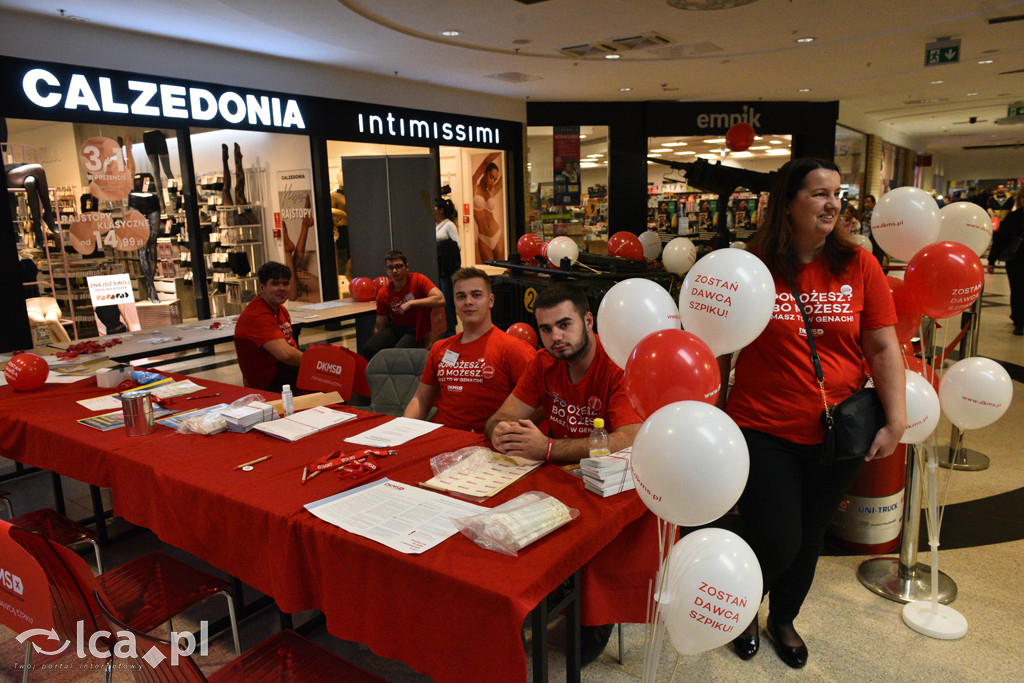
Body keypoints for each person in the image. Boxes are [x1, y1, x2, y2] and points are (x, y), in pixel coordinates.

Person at [721, 158, 905, 668]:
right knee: (776, 535)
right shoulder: (749, 264)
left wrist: (896, 418)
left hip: (839, 430)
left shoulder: (859, 264)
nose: (833, 204)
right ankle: (739, 611)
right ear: (788, 201)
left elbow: (883, 347)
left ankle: (783, 617)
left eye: (837, 194)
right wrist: (712, 412)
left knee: (811, 536)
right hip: (762, 426)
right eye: (819, 194)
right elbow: (720, 348)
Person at [485, 282, 641, 666]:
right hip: (557, 482)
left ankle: (593, 614)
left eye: (565, 325)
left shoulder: (617, 362)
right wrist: (502, 433)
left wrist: (550, 448)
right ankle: (539, 598)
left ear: (588, 321)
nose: (556, 337)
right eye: (546, 328)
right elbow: (500, 418)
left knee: (577, 646)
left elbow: (628, 437)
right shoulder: (543, 363)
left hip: (609, 489)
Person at [404, 267, 534, 432]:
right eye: (461, 296)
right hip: (443, 441)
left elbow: (540, 404)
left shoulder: (513, 349)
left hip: (487, 446)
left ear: (491, 301)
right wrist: (403, 432)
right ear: (455, 303)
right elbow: (421, 401)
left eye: (476, 295)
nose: (468, 302)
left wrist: (507, 431)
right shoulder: (439, 348)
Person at [361, 250, 444, 361]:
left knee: (397, 354)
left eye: (399, 266)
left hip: (417, 328)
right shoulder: (383, 292)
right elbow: (380, 324)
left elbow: (440, 299)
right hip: (396, 328)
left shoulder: (418, 279)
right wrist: (377, 339)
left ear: (407, 267)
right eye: (390, 268)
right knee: (369, 348)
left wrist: (412, 303)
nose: (395, 271)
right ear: (386, 270)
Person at [234, 261, 303, 392]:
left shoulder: (281, 310)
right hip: (268, 383)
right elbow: (286, 355)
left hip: (283, 370)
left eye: (285, 283)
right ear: (262, 287)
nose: (281, 288)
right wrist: (319, 364)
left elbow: (290, 349)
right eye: (275, 283)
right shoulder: (257, 315)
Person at [988, 187, 1024, 335]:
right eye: (1023, 197)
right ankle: (1019, 321)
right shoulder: (1013, 217)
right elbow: (1000, 240)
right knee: (1017, 291)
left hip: (1016, 260)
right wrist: (991, 260)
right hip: (1016, 261)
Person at [435, 198, 462, 338]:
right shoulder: (436, 225)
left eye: (435, 207)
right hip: (438, 268)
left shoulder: (449, 225)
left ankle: (450, 328)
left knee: (447, 298)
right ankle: (443, 326)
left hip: (447, 270)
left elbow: (458, 245)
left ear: (440, 210)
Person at [473, 155, 505, 262]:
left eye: (495, 179)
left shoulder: (492, 191)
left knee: (502, 269)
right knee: (488, 271)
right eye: (491, 177)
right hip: (483, 238)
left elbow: (506, 176)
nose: (492, 181)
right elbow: (486, 162)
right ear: (484, 173)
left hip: (497, 235)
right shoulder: (474, 186)